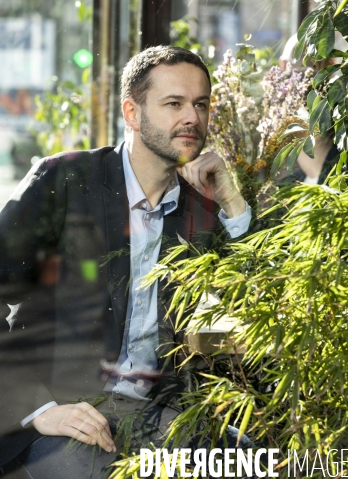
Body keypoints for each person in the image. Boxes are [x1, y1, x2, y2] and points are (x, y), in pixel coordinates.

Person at [0, 46, 251, 478]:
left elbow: (266, 308)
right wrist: (36, 408)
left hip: (166, 416)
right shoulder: (65, 181)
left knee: (252, 464)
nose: (192, 117)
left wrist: (233, 202)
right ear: (131, 113)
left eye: (201, 104)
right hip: (67, 412)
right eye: (173, 103)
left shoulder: (204, 208)